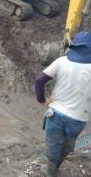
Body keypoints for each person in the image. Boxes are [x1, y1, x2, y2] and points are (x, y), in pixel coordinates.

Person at [34, 31, 91, 177]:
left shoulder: (61, 61)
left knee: (53, 147)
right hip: (78, 118)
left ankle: (51, 172)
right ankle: (57, 165)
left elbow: (40, 80)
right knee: (68, 146)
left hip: (56, 115)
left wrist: (42, 100)